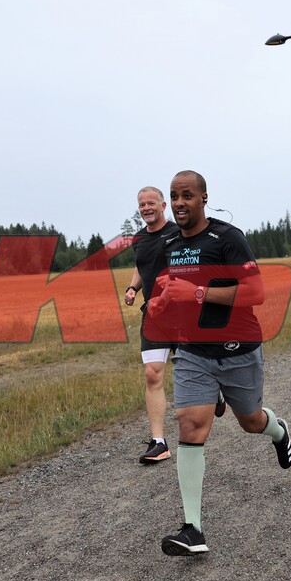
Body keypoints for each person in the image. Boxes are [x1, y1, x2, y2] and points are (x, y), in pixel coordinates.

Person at [147, 170, 291, 557]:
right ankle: (192, 529)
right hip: (194, 351)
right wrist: (164, 301)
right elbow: (172, 286)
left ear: (204, 198)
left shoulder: (227, 238)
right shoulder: (171, 244)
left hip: (238, 348)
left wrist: (196, 292)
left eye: (187, 196)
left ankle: (278, 431)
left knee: (250, 421)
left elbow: (256, 292)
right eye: (174, 196)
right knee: (191, 425)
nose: (179, 203)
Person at [123, 187, 179, 464]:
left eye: (151, 203)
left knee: (198, 367)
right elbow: (140, 264)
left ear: (163, 205)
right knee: (152, 375)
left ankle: (214, 392)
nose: (146, 208)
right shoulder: (140, 238)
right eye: (142, 204)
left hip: (184, 313)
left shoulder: (178, 233)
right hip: (154, 315)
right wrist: (133, 288)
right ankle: (159, 442)